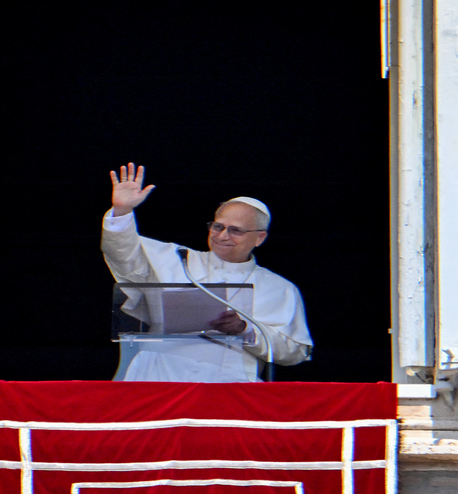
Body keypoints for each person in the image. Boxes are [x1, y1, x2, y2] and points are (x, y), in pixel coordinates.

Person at [102, 163, 312, 382]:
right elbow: (123, 253)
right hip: (161, 377)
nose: (222, 236)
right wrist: (122, 211)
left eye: (236, 230)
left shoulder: (279, 288)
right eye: (218, 227)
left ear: (260, 237)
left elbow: (294, 352)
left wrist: (245, 329)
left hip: (231, 386)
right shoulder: (176, 258)